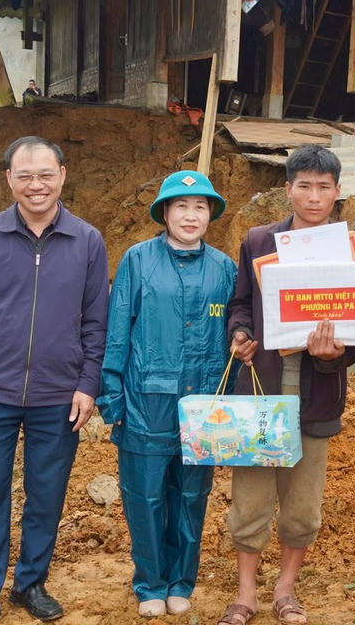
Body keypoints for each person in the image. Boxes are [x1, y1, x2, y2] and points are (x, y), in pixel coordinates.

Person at [0, 136, 109, 625]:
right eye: (25, 176)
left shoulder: (87, 240)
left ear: (62, 175)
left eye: (45, 174)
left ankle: (31, 583)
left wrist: (88, 383)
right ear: (9, 180)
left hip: (59, 396)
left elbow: (95, 321)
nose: (35, 185)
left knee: (46, 493)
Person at [219, 145, 355, 625]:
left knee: (302, 507)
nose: (313, 196)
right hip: (262, 388)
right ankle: (245, 594)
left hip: (316, 395)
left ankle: (285, 589)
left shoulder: (350, 251)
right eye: (304, 185)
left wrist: (336, 353)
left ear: (338, 192)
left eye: (324, 187)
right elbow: (241, 302)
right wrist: (239, 334)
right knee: (251, 500)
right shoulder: (259, 242)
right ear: (287, 190)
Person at [97, 170, 236, 619]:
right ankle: (150, 583)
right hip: (147, 400)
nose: (190, 215)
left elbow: (236, 333)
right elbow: (117, 330)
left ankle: (181, 580)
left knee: (192, 496)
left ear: (210, 213)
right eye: (181, 206)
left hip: (205, 402)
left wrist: (231, 395)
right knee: (146, 496)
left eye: (199, 207)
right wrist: (112, 396)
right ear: (164, 213)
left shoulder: (224, 267)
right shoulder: (139, 260)